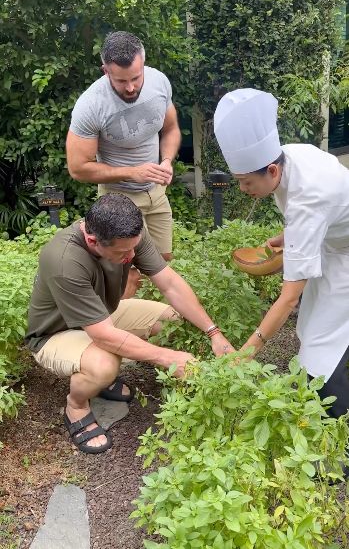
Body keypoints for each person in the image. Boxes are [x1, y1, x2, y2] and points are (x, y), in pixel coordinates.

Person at [25, 193, 235, 454]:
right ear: (93, 241)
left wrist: (214, 332)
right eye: (124, 252)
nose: (132, 255)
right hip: (54, 335)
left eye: (134, 247)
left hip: (100, 317)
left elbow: (169, 284)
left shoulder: (127, 233)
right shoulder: (64, 260)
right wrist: (168, 358)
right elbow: (103, 336)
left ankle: (100, 380)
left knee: (170, 321)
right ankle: (76, 405)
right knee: (104, 364)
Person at [214, 88, 349, 423]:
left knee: (320, 351)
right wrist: (287, 238)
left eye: (246, 183)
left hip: (345, 252)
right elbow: (318, 218)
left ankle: (338, 448)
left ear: (271, 171)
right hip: (334, 241)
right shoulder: (287, 158)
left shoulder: (308, 196)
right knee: (313, 328)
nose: (244, 190)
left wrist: (249, 350)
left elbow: (289, 298)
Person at [66, 31, 180, 295]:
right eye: (120, 81)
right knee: (127, 274)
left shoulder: (160, 83)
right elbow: (77, 167)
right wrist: (133, 172)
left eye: (136, 78)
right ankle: (120, 331)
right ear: (105, 70)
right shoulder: (91, 105)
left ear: (144, 63)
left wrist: (166, 161)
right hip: (119, 200)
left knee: (161, 263)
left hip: (156, 195)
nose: (130, 87)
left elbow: (171, 129)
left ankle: (156, 324)